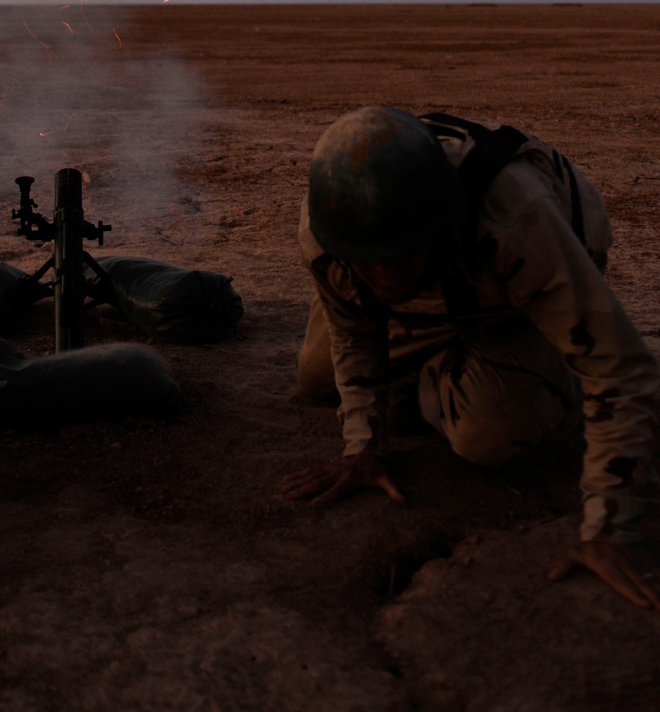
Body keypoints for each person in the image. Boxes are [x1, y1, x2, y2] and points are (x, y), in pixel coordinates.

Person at [282, 106, 660, 612]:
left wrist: (615, 526)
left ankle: (543, 378)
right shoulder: (330, 228)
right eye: (367, 261)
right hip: (436, 293)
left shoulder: (516, 219)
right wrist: (363, 446)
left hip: (508, 296)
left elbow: (619, 368)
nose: (384, 275)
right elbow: (354, 333)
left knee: (490, 433)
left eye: (400, 255)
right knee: (316, 379)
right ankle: (445, 360)